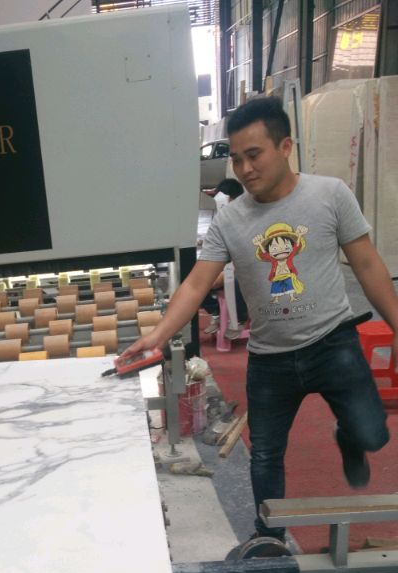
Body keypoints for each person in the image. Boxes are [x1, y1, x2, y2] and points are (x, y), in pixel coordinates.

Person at [121, 96, 397, 548]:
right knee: (265, 454)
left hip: (333, 344)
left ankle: (349, 436)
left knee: (372, 433)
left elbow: (367, 265)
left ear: (285, 147)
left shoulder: (330, 195)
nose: (245, 169)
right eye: (236, 158)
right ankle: (268, 539)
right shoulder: (230, 220)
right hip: (271, 360)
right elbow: (196, 284)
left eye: (254, 155)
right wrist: (158, 335)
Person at [201, 178, 248, 337]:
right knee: (198, 279)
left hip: (244, 268)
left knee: (235, 281)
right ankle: (215, 312)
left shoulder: (246, 220)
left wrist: (229, 271)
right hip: (227, 265)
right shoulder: (222, 219)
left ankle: (240, 319)